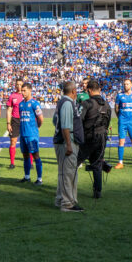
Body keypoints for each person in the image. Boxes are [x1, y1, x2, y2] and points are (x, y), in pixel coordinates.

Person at [52, 81, 84, 213]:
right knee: (68, 173)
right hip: (67, 142)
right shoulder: (67, 103)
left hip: (62, 141)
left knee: (63, 173)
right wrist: (69, 144)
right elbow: (65, 126)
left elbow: (55, 121)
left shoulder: (62, 102)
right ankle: (67, 203)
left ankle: (60, 199)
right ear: (73, 91)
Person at [79, 79, 113, 199]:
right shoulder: (107, 105)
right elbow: (108, 122)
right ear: (99, 90)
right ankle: (97, 191)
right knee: (97, 164)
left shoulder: (87, 103)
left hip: (88, 138)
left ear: (88, 90)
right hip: (102, 138)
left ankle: (68, 189)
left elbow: (78, 120)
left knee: (74, 163)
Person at [17, 83, 44, 184]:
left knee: (36, 155)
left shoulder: (34, 104)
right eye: (22, 90)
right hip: (23, 134)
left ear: (30, 90)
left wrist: (36, 128)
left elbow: (41, 119)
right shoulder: (20, 104)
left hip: (31, 135)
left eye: (24, 90)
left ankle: (39, 179)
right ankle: (27, 176)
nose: (22, 92)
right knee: (25, 156)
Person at [114, 79, 132, 169]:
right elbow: (116, 108)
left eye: (127, 84)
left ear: (131, 85)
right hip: (122, 122)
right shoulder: (119, 96)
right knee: (121, 141)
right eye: (124, 84)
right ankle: (120, 162)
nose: (125, 85)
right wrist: (120, 117)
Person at [5, 77, 25, 169]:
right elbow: (9, 110)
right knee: (13, 141)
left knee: (27, 141)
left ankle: (30, 163)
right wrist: (8, 123)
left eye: (20, 84)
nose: (19, 86)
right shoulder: (12, 96)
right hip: (15, 121)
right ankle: (12, 163)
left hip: (25, 120)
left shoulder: (27, 95)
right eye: (17, 84)